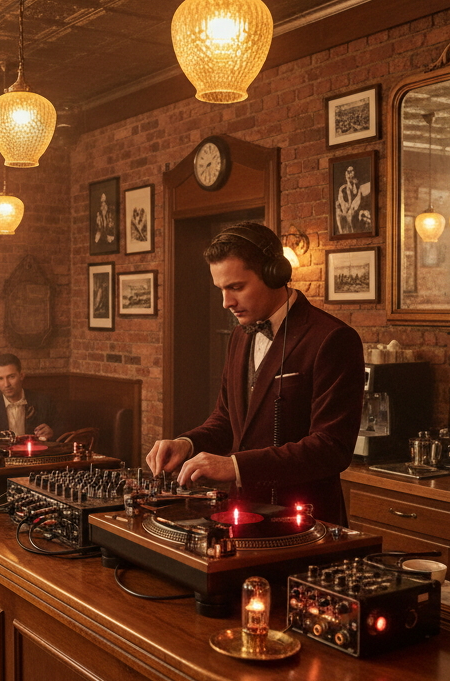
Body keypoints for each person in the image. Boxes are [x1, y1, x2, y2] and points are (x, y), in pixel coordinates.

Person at [145, 222, 364, 523]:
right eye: (221, 289)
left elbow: (331, 448)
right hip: (241, 516)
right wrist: (188, 443)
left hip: (308, 523)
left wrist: (235, 467)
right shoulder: (239, 335)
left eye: (236, 287)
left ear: (275, 274)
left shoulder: (333, 338)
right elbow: (226, 419)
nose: (226, 302)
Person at [0, 353, 59, 440]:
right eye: (0, 378)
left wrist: (52, 433)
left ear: (21, 375)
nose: (6, 384)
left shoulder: (43, 401)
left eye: (11, 377)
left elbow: (61, 431)